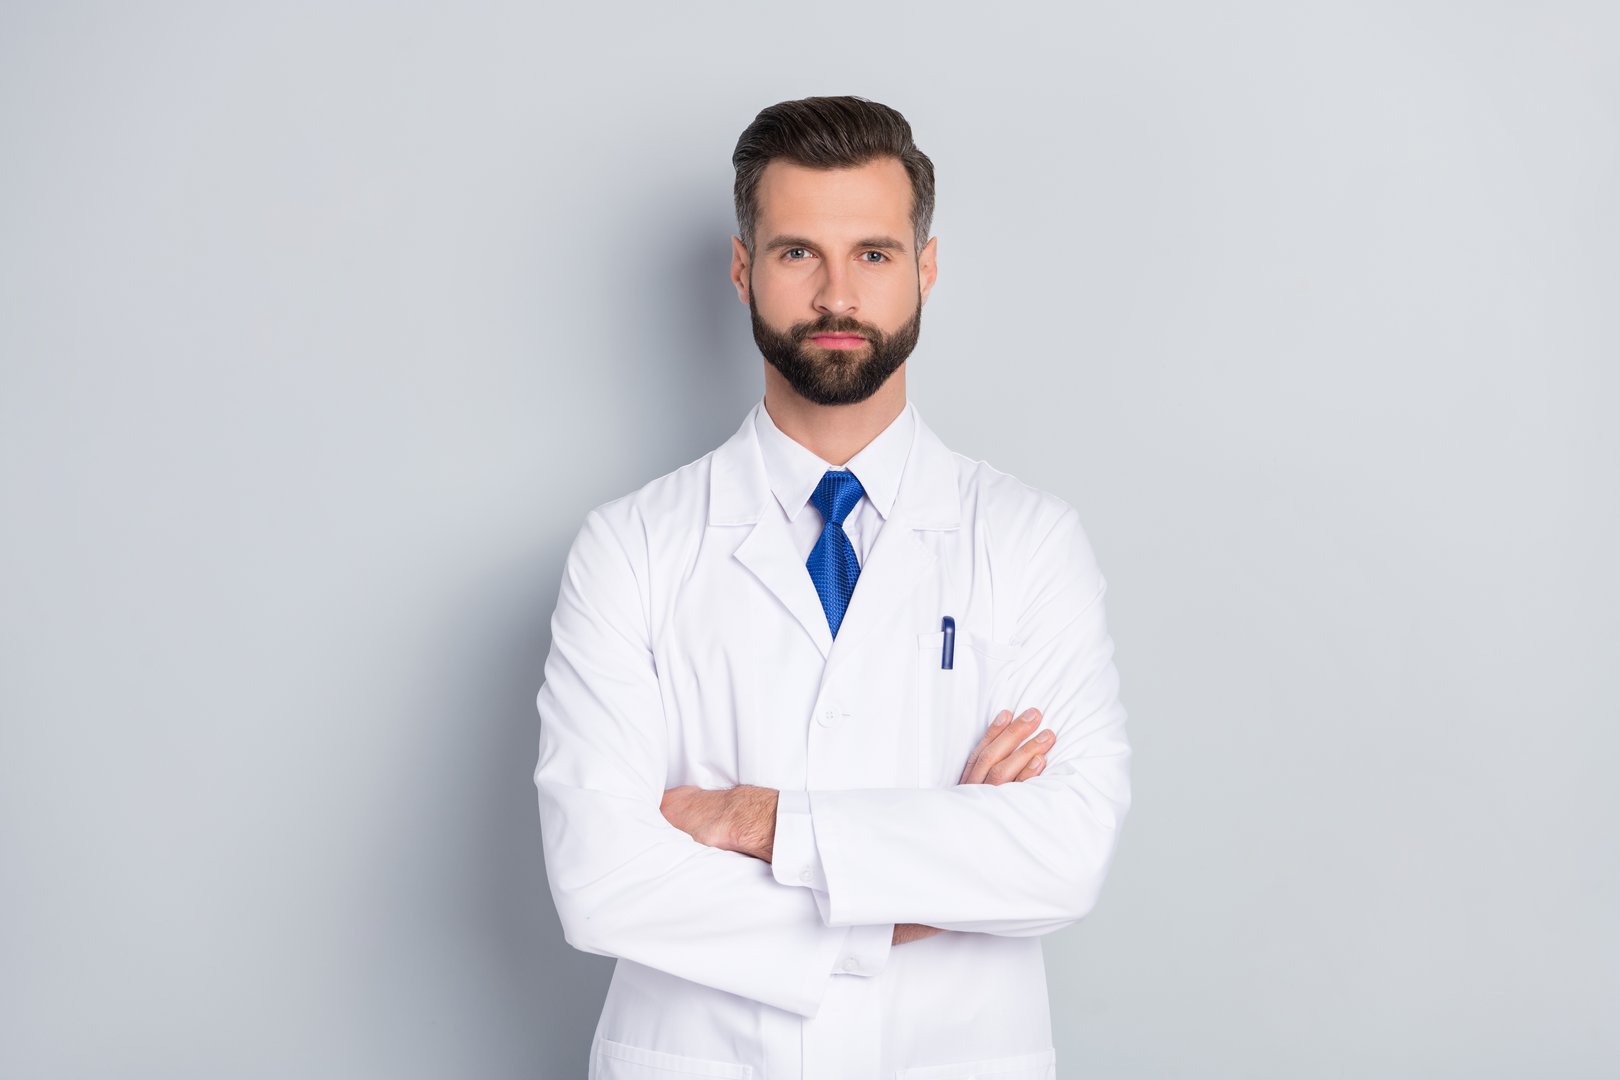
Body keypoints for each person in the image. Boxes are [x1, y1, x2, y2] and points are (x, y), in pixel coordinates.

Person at [533, 95, 1132, 1080]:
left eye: (875, 254)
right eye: (798, 252)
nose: (837, 294)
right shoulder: (631, 547)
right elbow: (602, 882)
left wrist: (757, 823)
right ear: (743, 270)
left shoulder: (1028, 541)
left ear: (926, 270)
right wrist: (929, 878)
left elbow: (1063, 853)